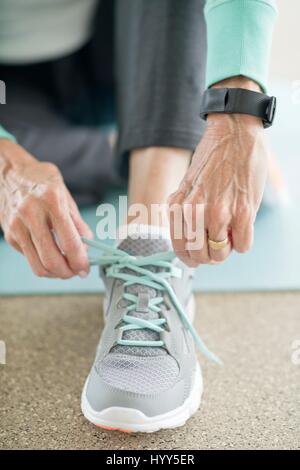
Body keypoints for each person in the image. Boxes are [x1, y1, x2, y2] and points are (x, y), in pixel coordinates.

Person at [0, 0, 277, 432]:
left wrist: (239, 119)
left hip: (130, 57)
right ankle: (162, 145)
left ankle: (149, 233)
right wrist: (6, 164)